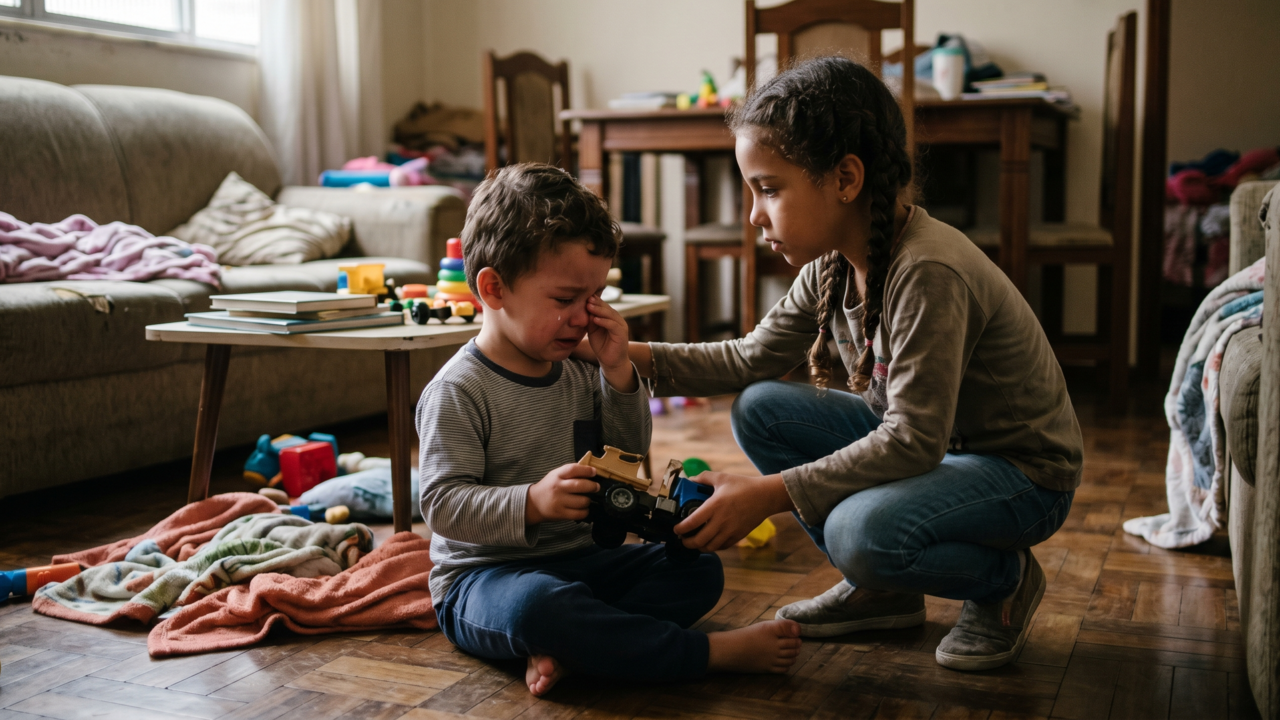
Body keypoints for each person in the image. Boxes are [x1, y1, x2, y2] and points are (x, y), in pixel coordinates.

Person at [618, 57, 1083, 672]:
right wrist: (627, 354)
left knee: (857, 534)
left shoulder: (927, 272)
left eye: (769, 188)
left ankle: (1002, 582)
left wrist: (768, 494)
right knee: (761, 407)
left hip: (1022, 474)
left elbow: (913, 441)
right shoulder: (833, 263)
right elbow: (751, 357)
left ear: (846, 179)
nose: (754, 215)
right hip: (941, 450)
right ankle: (883, 592)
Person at [416, 163, 802, 698]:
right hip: (486, 578)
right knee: (539, 607)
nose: (584, 317)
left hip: (585, 562)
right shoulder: (458, 389)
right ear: (493, 287)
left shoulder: (580, 365)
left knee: (699, 572)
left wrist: (619, 373)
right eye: (565, 299)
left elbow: (628, 455)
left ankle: (582, 649)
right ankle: (705, 655)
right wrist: (531, 501)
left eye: (594, 296)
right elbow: (441, 503)